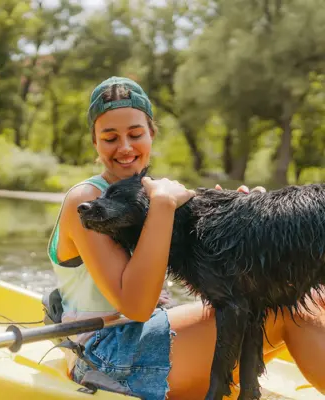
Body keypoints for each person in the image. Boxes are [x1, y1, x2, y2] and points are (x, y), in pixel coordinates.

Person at [45, 76, 325, 400]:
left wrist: (243, 223)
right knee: (292, 310)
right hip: (108, 355)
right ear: (95, 142)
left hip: (149, 333)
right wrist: (163, 207)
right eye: (110, 137)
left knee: (307, 292)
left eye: (135, 134)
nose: (124, 147)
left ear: (151, 134)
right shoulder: (87, 201)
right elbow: (136, 306)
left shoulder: (154, 193)